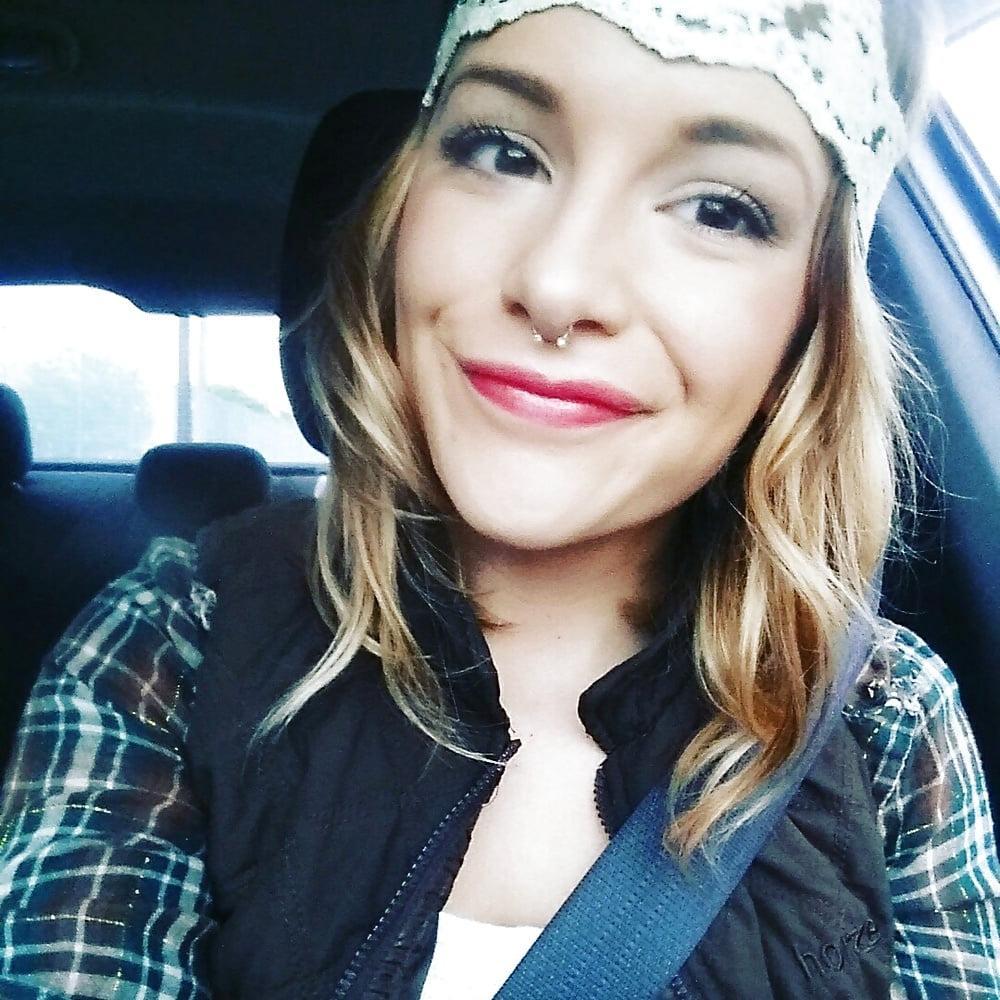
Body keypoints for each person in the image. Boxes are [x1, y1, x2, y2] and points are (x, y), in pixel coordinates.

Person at [1, 1, 998, 997]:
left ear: (811, 316)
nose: (558, 284)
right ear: (401, 212)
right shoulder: (173, 641)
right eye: (504, 152)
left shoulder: (887, 717)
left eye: (720, 210)